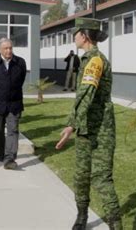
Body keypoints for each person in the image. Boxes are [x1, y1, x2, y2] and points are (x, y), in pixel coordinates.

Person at [56, 18, 122, 230]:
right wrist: (76, 124)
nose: (73, 37)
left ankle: (115, 224)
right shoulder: (86, 59)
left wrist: (70, 125)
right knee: (81, 176)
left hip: (101, 130)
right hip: (86, 130)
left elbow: (86, 94)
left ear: (84, 35)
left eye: (75, 33)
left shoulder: (95, 60)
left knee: (102, 178)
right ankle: (82, 216)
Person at [0, 38, 26, 170]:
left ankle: (10, 158)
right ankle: (1, 153)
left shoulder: (20, 62)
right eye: (6, 48)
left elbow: (20, 81)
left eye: (10, 48)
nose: (9, 50)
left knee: (13, 130)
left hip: (14, 103)